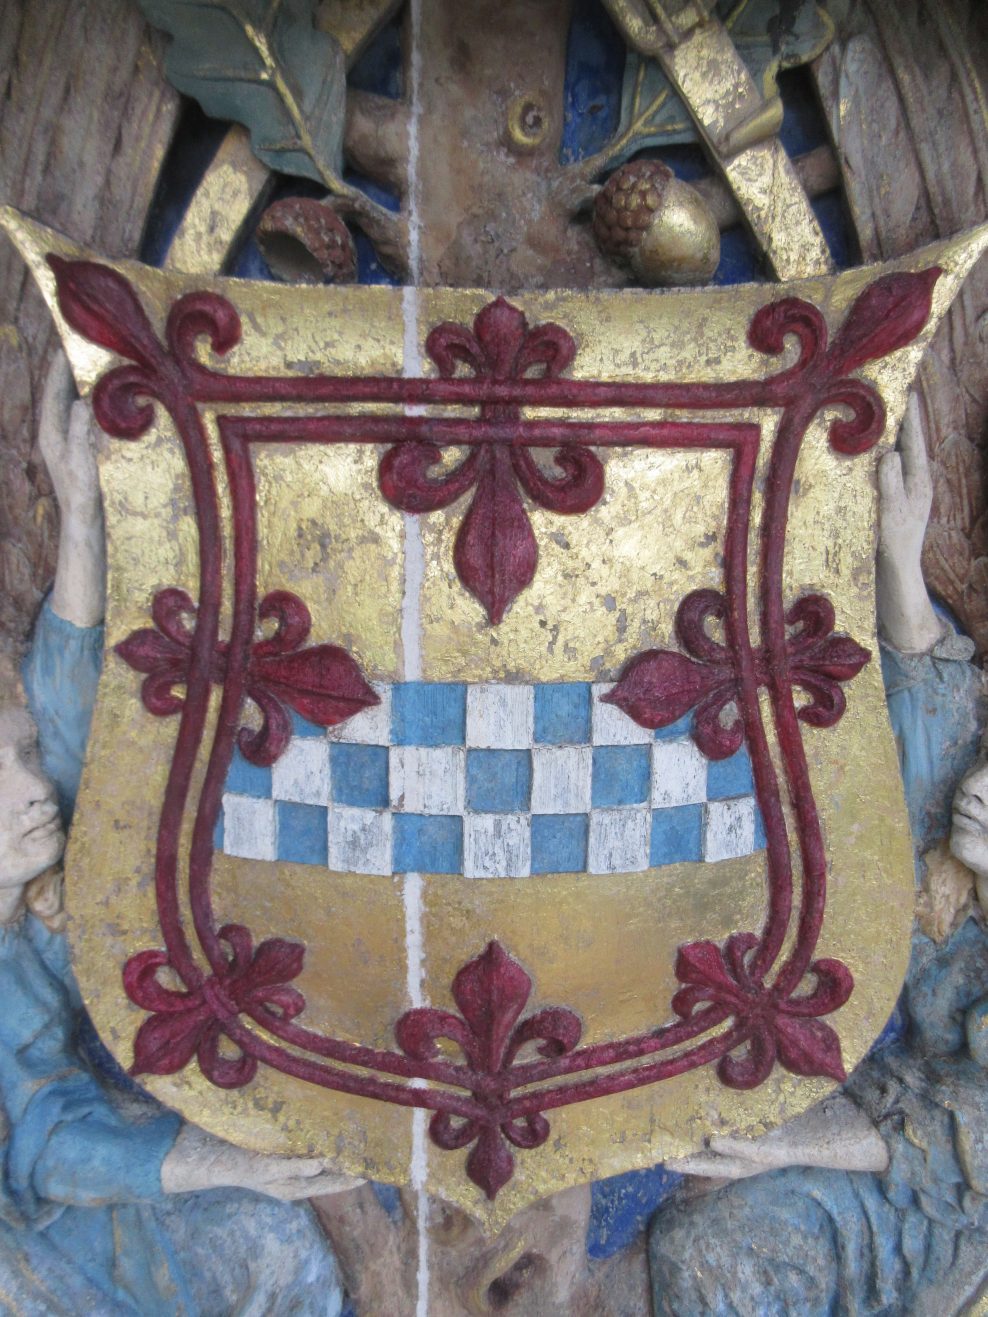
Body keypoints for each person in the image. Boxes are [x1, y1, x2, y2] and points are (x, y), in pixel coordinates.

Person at [0, 354, 359, 1315]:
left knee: (272, 1247)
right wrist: (200, 1159)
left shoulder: (38, 892)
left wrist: (81, 514)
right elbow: (41, 1134)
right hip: (47, 1246)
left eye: (17, 756)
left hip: (127, 1191)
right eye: (0, 779)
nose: (31, 789)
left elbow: (75, 723)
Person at [648, 397, 988, 1313]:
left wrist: (806, 1140)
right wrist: (901, 570)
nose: (981, 789)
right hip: (892, 1125)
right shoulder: (965, 823)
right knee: (705, 1241)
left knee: (716, 1247)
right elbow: (937, 752)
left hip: (953, 1207)